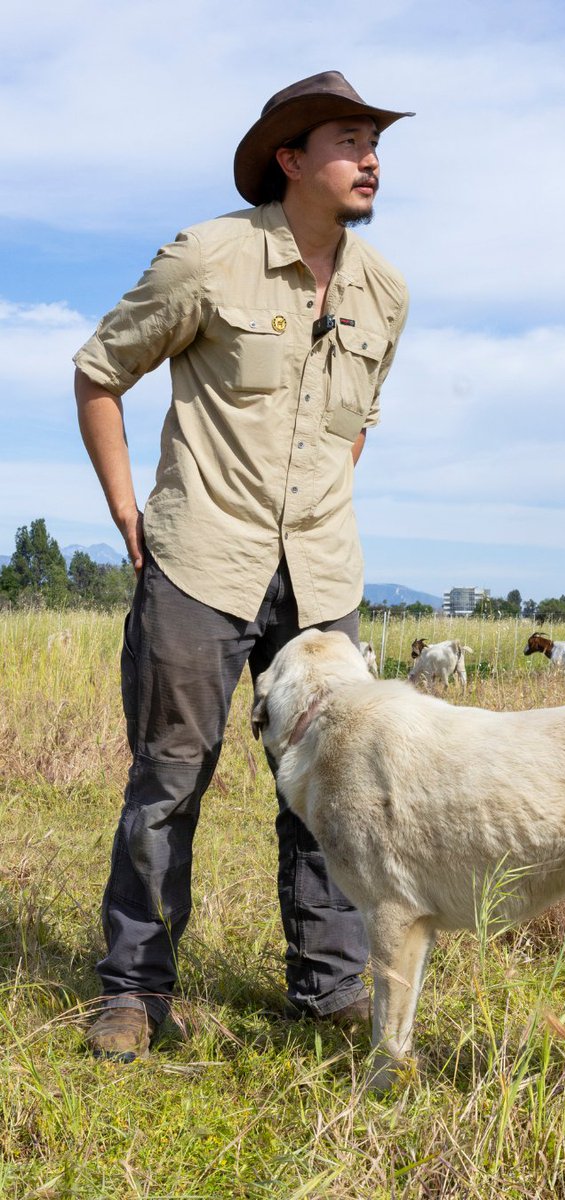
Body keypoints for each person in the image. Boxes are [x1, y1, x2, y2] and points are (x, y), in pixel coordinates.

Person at [73, 71, 413, 1061]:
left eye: (374, 141)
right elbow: (101, 372)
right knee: (170, 780)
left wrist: (316, 511)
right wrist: (130, 513)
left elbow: (354, 429)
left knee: (331, 791)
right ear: (291, 159)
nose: (371, 157)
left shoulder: (385, 290)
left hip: (324, 580)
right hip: (198, 564)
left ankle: (330, 990)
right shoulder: (208, 258)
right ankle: (133, 993)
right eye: (349, 140)